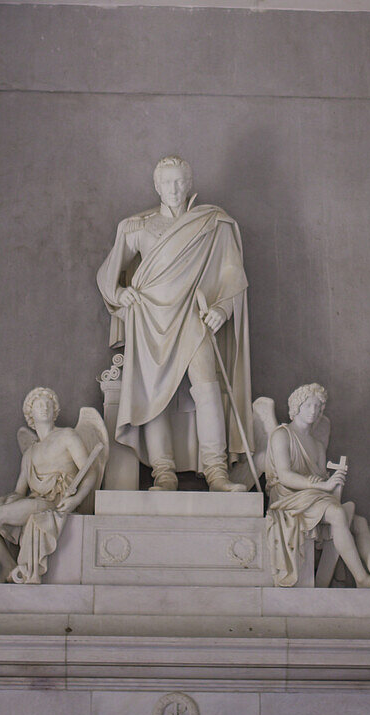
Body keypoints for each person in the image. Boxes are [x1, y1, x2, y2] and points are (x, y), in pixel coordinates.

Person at [96, 155, 251, 492]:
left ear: (190, 182)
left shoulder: (213, 224)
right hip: (151, 319)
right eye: (167, 182)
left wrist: (222, 309)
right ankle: (163, 473)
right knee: (154, 397)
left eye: (180, 181)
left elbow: (232, 274)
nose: (175, 188)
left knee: (208, 389)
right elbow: (108, 272)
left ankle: (216, 473)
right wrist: (120, 294)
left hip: (195, 318)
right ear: (157, 186)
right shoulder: (137, 227)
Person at [0, 387, 107, 584]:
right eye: (38, 404)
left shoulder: (67, 436)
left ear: (55, 410)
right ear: (30, 413)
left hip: (54, 502)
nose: (44, 408)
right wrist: (9, 500)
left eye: (48, 404)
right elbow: (19, 491)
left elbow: (90, 471)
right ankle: (8, 564)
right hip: (35, 501)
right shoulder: (31, 452)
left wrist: (77, 499)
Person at [263, 383, 370, 589]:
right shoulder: (282, 435)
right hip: (288, 498)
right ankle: (362, 579)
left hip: (313, 498)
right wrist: (320, 486)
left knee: (359, 522)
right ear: (297, 406)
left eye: (318, 407)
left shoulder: (316, 445)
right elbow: (285, 476)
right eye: (308, 406)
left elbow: (322, 479)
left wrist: (334, 483)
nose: (314, 411)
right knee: (336, 513)